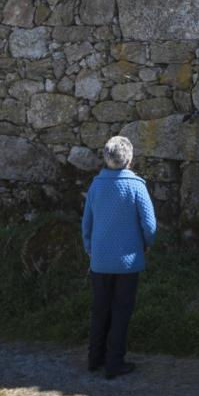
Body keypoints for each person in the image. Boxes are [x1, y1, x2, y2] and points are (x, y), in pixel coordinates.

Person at [81, 136, 157, 379]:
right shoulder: (136, 186)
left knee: (100, 309)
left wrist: (89, 246)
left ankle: (94, 359)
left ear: (106, 157)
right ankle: (114, 363)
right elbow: (150, 225)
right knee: (121, 311)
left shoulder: (96, 186)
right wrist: (145, 245)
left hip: (100, 261)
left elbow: (87, 223)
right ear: (130, 159)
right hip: (128, 262)